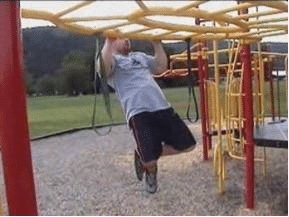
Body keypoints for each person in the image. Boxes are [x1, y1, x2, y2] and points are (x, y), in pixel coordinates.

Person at [101, 35, 196, 193]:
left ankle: (142, 153)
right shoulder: (113, 61)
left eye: (128, 37)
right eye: (121, 37)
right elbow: (104, 69)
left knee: (189, 145)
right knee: (150, 161)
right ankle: (149, 168)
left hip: (162, 107)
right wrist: (108, 42)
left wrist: (156, 43)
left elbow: (160, 67)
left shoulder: (140, 57)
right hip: (138, 113)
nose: (126, 39)